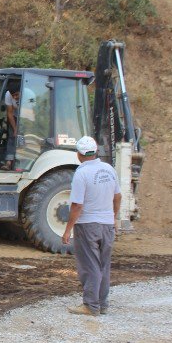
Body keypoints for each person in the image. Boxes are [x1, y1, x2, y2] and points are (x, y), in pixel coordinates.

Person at [62, 136, 122, 317]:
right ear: (96, 151)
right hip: (107, 225)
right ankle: (102, 304)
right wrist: (113, 218)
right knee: (103, 265)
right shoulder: (109, 169)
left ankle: (90, 305)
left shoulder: (82, 173)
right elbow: (117, 197)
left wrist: (67, 229)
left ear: (79, 154)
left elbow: (77, 205)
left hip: (88, 225)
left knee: (90, 266)